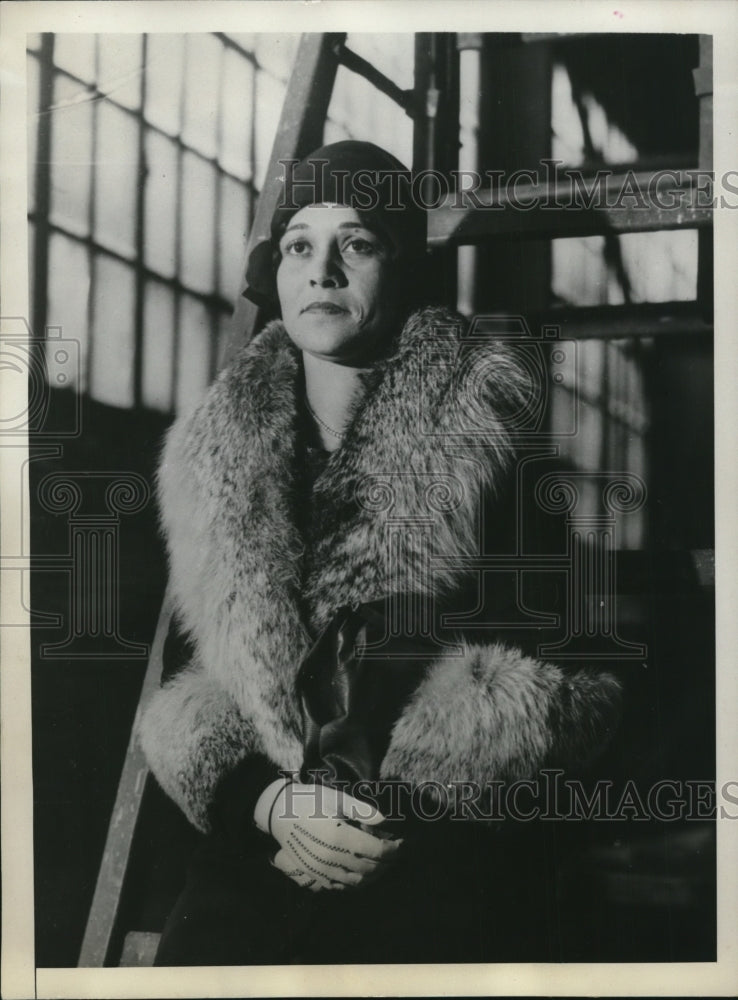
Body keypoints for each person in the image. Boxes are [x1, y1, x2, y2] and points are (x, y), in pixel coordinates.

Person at [139, 140, 622, 965]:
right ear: (276, 273)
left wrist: (390, 815)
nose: (322, 271)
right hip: (268, 834)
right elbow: (195, 687)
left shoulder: (486, 431)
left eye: (356, 243)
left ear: (400, 271)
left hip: (436, 841)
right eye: (299, 245)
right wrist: (270, 808)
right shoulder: (209, 456)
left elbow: (568, 674)